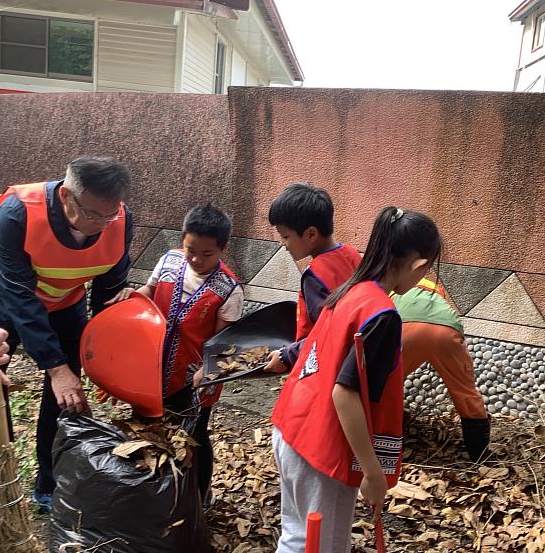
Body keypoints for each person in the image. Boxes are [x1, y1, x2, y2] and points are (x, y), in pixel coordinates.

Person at [0, 157, 134, 520]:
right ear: (66, 196)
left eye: (109, 215)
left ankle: (50, 485)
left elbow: (109, 287)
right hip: (5, 304)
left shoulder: (120, 219)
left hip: (66, 304)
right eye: (93, 215)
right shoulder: (18, 214)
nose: (101, 224)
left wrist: (102, 356)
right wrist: (55, 367)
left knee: (67, 397)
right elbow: (20, 298)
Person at [271, 206, 441, 553]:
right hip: (321, 451)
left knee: (297, 538)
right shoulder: (382, 315)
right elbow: (344, 394)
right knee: (321, 547)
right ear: (420, 266)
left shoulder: (352, 288)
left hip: (291, 429)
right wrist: (373, 472)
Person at [109, 203, 243, 503]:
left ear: (223, 249)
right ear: (182, 239)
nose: (196, 259)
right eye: (190, 249)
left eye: (206, 254)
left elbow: (224, 341)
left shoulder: (229, 288)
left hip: (194, 376)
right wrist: (132, 297)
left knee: (192, 436)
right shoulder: (168, 261)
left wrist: (207, 370)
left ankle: (198, 495)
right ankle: (146, 491)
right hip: (151, 367)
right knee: (143, 424)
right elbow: (149, 292)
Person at [263, 183, 361, 374]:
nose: (283, 244)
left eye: (285, 236)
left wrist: (286, 355)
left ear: (311, 234)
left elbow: (327, 333)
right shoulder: (352, 254)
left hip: (323, 365)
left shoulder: (315, 276)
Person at [393, 279, 490, 461]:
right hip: (447, 330)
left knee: (386, 383)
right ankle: (480, 455)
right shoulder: (435, 288)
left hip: (405, 328)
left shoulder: (396, 283)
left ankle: (385, 439)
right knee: (466, 393)